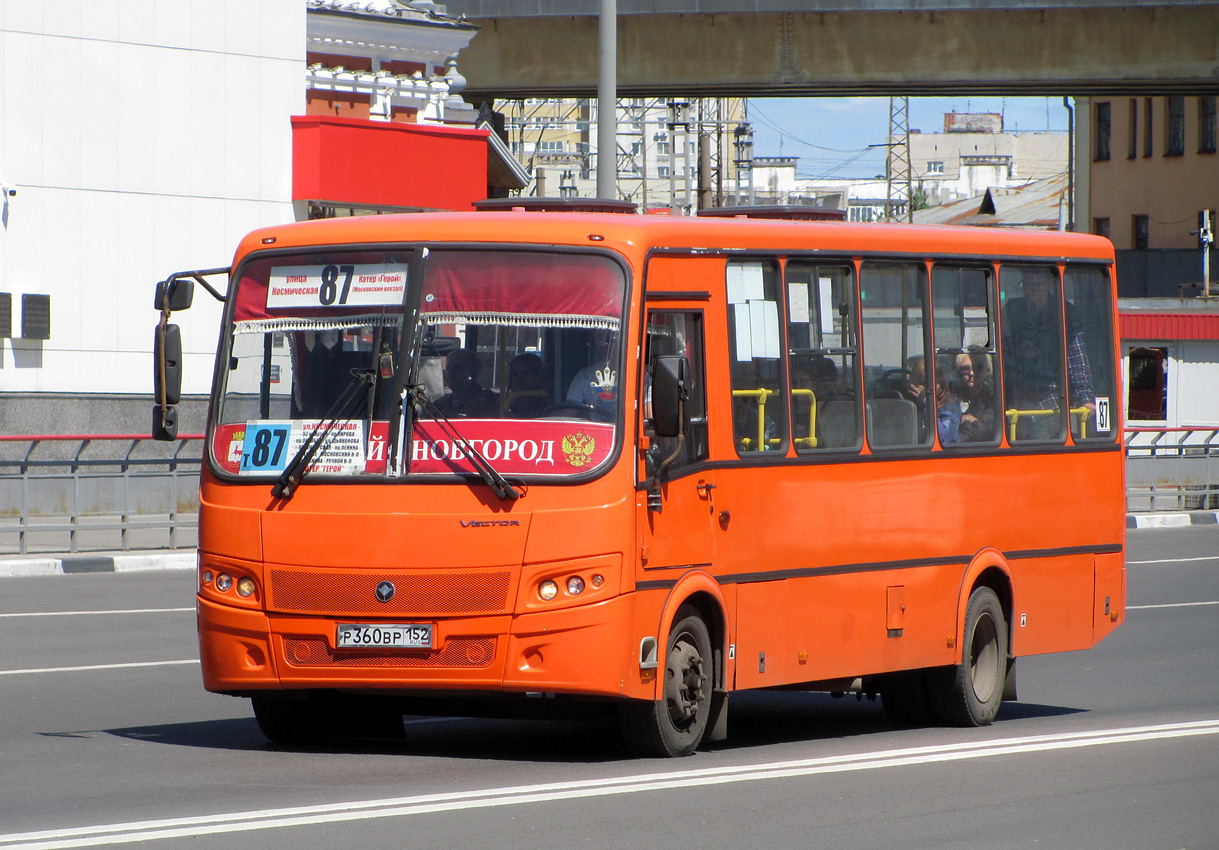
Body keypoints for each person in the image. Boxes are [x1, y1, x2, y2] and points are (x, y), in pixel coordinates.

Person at [1001, 267, 1095, 439]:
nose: (1029, 290)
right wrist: (1017, 352)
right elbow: (1002, 350)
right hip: (1016, 398)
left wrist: (1085, 398)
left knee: (1035, 447)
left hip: (1051, 401)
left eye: (1034, 285)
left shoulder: (1066, 313)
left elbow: (1076, 358)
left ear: (1049, 284)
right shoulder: (1012, 310)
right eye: (1025, 284)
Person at [566, 327, 619, 415]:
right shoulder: (584, 376)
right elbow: (569, 413)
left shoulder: (641, 376)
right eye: (599, 336)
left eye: (608, 337)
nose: (602, 342)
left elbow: (648, 420)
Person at [433, 348, 498, 418]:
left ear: (472, 372)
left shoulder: (486, 401)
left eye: (457, 368)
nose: (451, 372)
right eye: (448, 368)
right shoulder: (439, 405)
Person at [955, 350, 998, 443]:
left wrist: (962, 420)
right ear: (959, 372)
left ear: (986, 371)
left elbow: (983, 430)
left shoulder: (993, 397)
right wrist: (966, 420)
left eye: (977, 368)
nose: (972, 373)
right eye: (966, 368)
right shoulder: (952, 394)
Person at [506, 353, 550, 418]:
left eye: (525, 374)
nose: (518, 379)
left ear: (538, 377)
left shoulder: (545, 406)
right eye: (515, 374)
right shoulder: (507, 402)